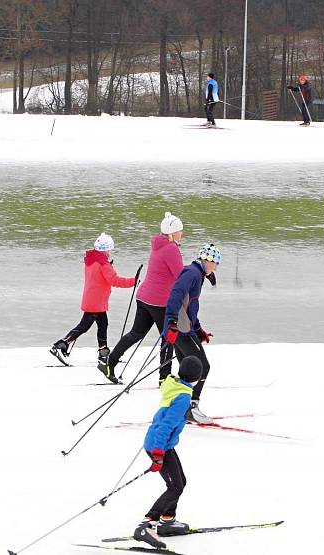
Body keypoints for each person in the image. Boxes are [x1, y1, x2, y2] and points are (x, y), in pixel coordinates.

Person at [104, 212, 184, 385]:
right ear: (171, 233)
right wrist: (200, 273)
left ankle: (110, 362)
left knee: (136, 333)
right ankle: (164, 377)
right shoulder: (171, 248)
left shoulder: (159, 246)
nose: (182, 233)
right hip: (160, 302)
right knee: (168, 337)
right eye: (179, 230)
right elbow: (180, 275)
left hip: (144, 297)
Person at [133, 356, 204, 549]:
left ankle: (167, 520)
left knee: (180, 482)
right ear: (197, 378)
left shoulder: (174, 385)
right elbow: (166, 425)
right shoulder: (183, 397)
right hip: (160, 445)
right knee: (175, 487)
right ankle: (147, 525)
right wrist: (157, 453)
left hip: (162, 444)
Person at [50, 233, 136, 373]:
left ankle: (103, 352)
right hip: (96, 301)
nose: (110, 252)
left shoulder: (92, 261)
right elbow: (115, 281)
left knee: (103, 324)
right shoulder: (103, 264)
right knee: (84, 326)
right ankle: (61, 345)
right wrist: (133, 281)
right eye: (109, 250)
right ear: (104, 250)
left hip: (94, 299)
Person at [163, 244, 220, 424]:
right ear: (206, 260)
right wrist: (171, 322)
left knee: (185, 369)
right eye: (215, 263)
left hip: (185, 328)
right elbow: (175, 294)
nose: (216, 267)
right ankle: (191, 408)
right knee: (202, 366)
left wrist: (199, 329)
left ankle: (181, 406)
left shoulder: (197, 274)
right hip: (180, 329)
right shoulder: (192, 273)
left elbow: (190, 306)